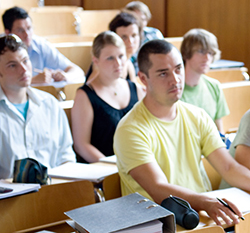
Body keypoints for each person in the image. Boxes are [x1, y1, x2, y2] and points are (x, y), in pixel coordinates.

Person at [113, 39, 250, 226]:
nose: (175, 79)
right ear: (143, 79)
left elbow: (228, 167)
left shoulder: (197, 115)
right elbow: (158, 189)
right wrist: (206, 202)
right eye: (163, 73)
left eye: (178, 69)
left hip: (201, 217)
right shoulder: (130, 129)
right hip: (161, 224)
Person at [0, 34, 76, 179]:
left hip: (54, 191)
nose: (24, 70)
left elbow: (66, 156)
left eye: (25, 61)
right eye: (12, 65)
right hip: (9, 198)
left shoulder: (50, 104)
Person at [71, 31, 144, 163]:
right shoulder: (85, 95)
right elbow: (82, 145)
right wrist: (112, 166)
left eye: (121, 56)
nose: (118, 63)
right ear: (96, 61)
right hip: (102, 170)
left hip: (136, 165)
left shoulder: (136, 89)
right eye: (110, 58)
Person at [2, 7, 85, 85]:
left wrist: (65, 76)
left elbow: (77, 71)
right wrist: (32, 80)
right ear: (8, 33)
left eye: (29, 28)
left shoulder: (40, 45)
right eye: (20, 30)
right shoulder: (1, 49)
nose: (27, 34)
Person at [180, 28, 229, 133]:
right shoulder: (173, 88)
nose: (207, 58)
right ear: (186, 53)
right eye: (201, 51)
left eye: (211, 53)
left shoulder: (214, 86)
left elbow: (219, 132)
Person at [85, 12, 141, 83]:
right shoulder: (102, 64)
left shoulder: (128, 63)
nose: (130, 41)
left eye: (134, 35)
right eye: (124, 37)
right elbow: (89, 89)